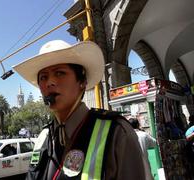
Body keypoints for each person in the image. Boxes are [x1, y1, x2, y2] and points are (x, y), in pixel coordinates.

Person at [13, 40, 152, 179]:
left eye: (60, 73)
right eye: (43, 77)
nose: (50, 82)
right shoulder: (44, 135)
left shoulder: (117, 132)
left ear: (82, 82)